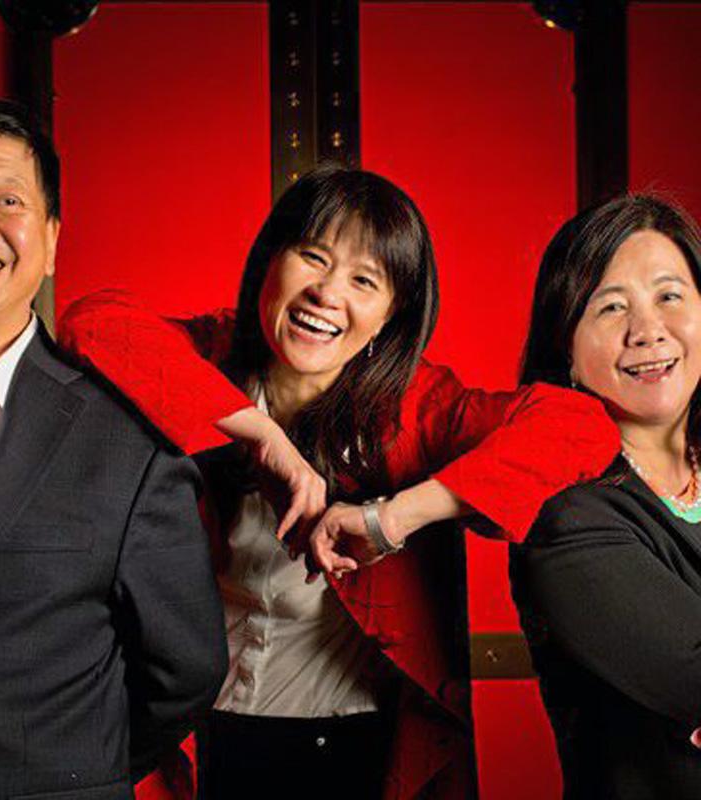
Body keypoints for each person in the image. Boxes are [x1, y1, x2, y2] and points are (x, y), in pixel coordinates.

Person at [60, 166, 619, 799]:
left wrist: (392, 519)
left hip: (354, 748)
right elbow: (91, 321)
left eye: (364, 280)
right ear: (270, 260)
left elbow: (581, 427)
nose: (327, 294)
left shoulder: (422, 407)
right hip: (198, 741)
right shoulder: (210, 358)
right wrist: (262, 436)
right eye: (313, 257)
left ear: (390, 316)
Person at [0, 97, 227, 800]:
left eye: (6, 200)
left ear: (50, 241)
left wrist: (74, 768)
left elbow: (186, 672)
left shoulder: (132, 443)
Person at [512, 195, 701, 799]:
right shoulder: (567, 517)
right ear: (566, 347)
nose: (647, 331)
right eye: (611, 306)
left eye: (669, 296)